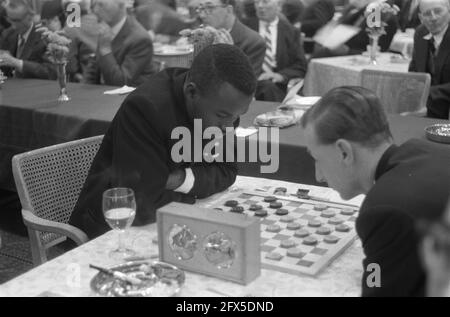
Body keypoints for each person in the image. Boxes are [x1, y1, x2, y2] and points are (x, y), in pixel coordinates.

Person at [70, 44, 257, 239]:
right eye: (222, 115)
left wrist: (178, 179)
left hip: (169, 224)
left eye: (237, 116)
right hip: (109, 233)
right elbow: (141, 206)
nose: (228, 126)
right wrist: (194, 189)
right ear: (191, 92)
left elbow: (227, 170)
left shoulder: (221, 107)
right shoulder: (145, 109)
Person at [300, 86, 450, 296]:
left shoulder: (382, 211)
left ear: (344, 152)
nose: (319, 176)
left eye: (317, 159)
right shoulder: (423, 149)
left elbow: (376, 288)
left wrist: (375, 269)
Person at [243, 0, 307, 102]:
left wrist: (280, 75)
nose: (260, 6)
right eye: (256, 2)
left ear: (279, 5)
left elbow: (300, 66)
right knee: (267, 87)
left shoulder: (291, 31)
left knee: (270, 87)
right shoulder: (245, 27)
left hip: (277, 84)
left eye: (265, 2)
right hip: (249, 81)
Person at [84, 0, 154, 87]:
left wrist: (105, 49)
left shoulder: (140, 39)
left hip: (129, 96)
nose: (95, 10)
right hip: (101, 94)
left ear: (120, 5)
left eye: (101, 5)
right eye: (94, 5)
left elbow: (120, 83)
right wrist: (85, 88)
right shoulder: (106, 27)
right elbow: (94, 68)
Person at [196, 0, 266, 77]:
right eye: (201, 8)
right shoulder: (199, 35)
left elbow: (246, 86)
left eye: (209, 8)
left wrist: (229, 55)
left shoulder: (253, 42)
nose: (202, 15)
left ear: (229, 10)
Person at [409, 0, 450, 119]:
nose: (433, 18)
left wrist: (426, 93)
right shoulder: (420, 32)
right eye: (427, 14)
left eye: (438, 11)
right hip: (424, 106)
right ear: (420, 17)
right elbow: (414, 69)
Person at [0, 0, 56, 79]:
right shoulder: (7, 34)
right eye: (10, 20)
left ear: (30, 17)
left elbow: (51, 72)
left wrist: (17, 63)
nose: (13, 26)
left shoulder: (46, 36)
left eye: (17, 21)